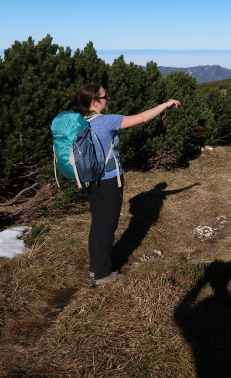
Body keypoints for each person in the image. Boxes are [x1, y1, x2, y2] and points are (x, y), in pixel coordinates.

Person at [75, 82, 180, 286]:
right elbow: (141, 118)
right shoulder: (106, 121)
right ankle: (104, 274)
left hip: (88, 179)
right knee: (107, 225)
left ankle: (95, 266)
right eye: (105, 97)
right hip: (108, 179)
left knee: (98, 222)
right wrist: (165, 104)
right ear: (95, 102)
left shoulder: (79, 120)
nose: (108, 100)